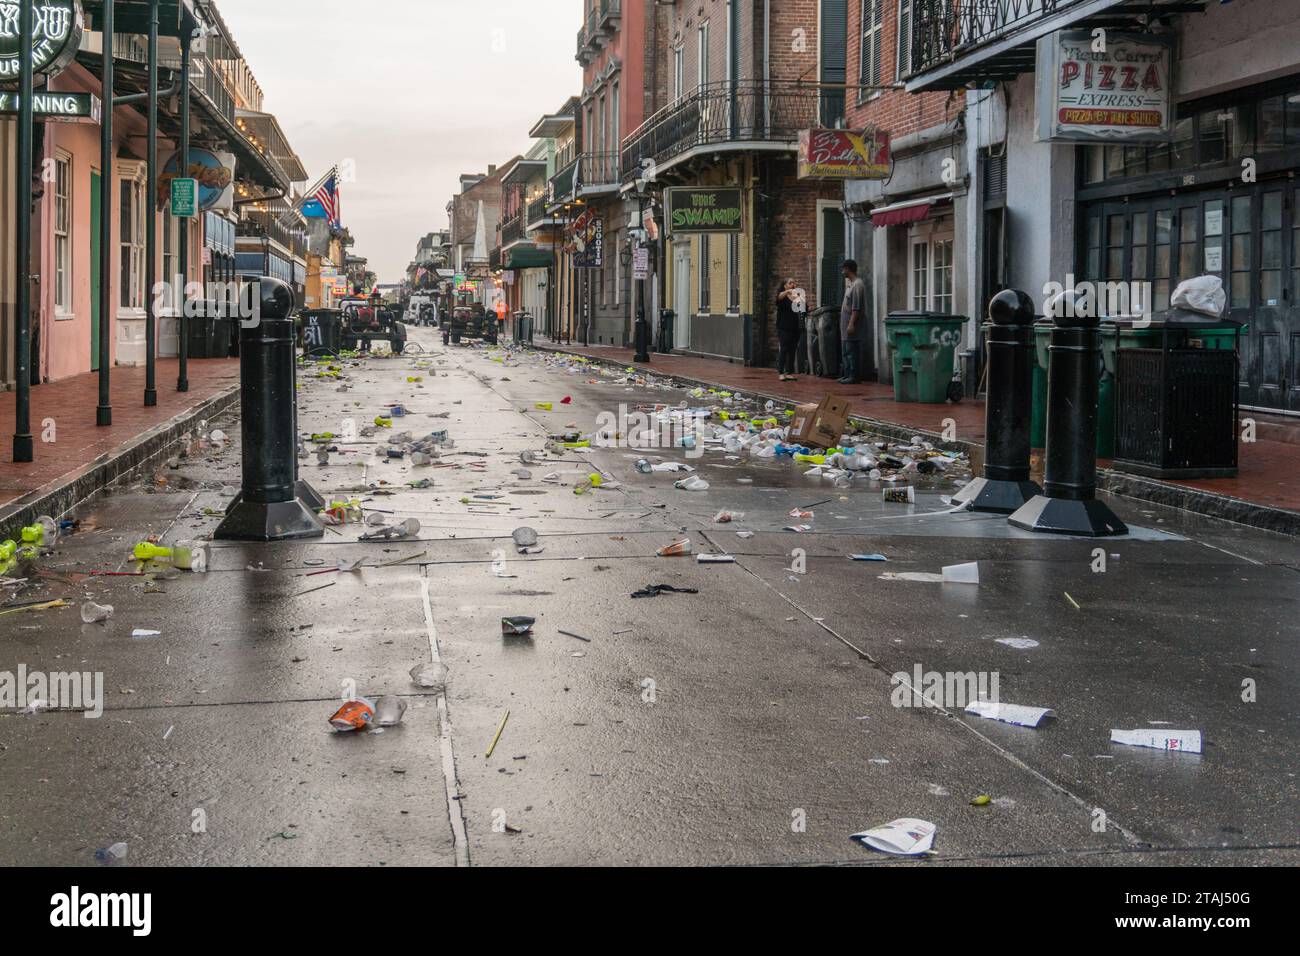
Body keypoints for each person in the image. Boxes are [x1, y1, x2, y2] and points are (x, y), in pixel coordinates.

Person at [839, 259, 867, 384]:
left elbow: (856, 307)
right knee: (846, 350)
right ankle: (847, 374)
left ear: (848, 269)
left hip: (852, 324)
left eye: (844, 269)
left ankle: (853, 376)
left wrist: (851, 323)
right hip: (844, 325)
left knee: (852, 351)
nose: (842, 271)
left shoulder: (857, 285)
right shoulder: (850, 284)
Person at [775, 278, 806, 381]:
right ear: (785, 286)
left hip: (795, 327)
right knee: (784, 349)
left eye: (794, 282)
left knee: (792, 350)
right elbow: (778, 298)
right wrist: (787, 292)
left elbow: (804, 307)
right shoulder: (782, 297)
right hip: (784, 327)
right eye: (790, 283)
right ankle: (780, 372)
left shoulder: (797, 296)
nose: (793, 284)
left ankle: (789, 372)